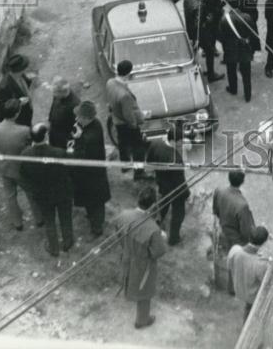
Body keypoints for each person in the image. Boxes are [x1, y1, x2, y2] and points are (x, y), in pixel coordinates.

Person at [117, 187, 168, 330]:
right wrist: (161, 237)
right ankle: (142, 321)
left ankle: (129, 295)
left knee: (129, 280)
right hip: (143, 265)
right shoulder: (152, 228)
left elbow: (118, 235)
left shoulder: (123, 215)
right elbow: (158, 252)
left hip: (127, 256)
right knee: (144, 293)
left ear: (138, 200)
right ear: (153, 205)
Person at [20, 123, 74, 258]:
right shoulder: (59, 153)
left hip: (42, 195)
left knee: (49, 221)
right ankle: (67, 242)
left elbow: (23, 177)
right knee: (65, 218)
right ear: (46, 136)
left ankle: (54, 248)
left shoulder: (25, 155)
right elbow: (69, 170)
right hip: (62, 192)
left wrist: (32, 190)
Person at [0, 98, 41, 232]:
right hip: (20, 168)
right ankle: (39, 219)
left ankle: (17, 222)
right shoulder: (24, 130)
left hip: (5, 166)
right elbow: (30, 144)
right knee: (31, 193)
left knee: (10, 195)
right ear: (16, 114)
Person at [69, 100, 110, 240]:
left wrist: (78, 139)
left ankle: (96, 229)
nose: (76, 119)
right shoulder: (95, 124)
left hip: (91, 176)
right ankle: (93, 217)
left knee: (95, 202)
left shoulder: (88, 138)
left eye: (79, 116)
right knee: (93, 201)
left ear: (87, 118)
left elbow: (81, 155)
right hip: (93, 173)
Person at [146, 125, 190, 246]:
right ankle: (174, 238)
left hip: (161, 183)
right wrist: (187, 194)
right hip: (175, 190)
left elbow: (149, 164)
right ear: (173, 141)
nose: (181, 145)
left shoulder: (156, 144)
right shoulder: (176, 159)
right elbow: (180, 183)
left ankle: (157, 223)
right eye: (180, 143)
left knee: (163, 204)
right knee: (178, 214)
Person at [220, 0, 259, 102]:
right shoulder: (247, 17)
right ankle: (247, 96)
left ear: (229, 5)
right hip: (244, 47)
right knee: (246, 73)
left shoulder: (224, 19)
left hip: (231, 48)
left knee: (231, 70)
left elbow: (221, 36)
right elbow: (252, 32)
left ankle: (233, 88)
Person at [106, 60, 145, 179]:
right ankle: (139, 173)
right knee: (138, 148)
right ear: (128, 74)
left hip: (117, 120)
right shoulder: (124, 95)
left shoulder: (110, 82)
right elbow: (129, 116)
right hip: (126, 124)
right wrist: (136, 124)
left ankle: (125, 165)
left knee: (122, 143)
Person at [228, 226, 270, 320]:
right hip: (251, 297)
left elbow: (229, 267)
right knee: (250, 315)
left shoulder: (235, 250)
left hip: (238, 289)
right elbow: (266, 283)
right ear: (263, 244)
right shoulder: (261, 264)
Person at [212, 170, 256, 252]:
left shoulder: (219, 190)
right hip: (235, 240)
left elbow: (215, 211)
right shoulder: (242, 205)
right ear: (242, 181)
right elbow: (246, 232)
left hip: (222, 229)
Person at [0, 53, 34, 126]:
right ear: (20, 70)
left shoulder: (20, 75)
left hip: (26, 113)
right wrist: (18, 102)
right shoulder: (4, 87)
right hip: (18, 121)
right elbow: (1, 107)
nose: (27, 69)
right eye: (25, 67)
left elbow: (25, 85)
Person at [47, 76, 79, 150]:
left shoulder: (74, 105)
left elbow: (76, 126)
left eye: (55, 93)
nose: (53, 95)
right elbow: (53, 107)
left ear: (61, 92)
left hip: (63, 138)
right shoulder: (58, 96)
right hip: (54, 132)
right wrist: (50, 120)